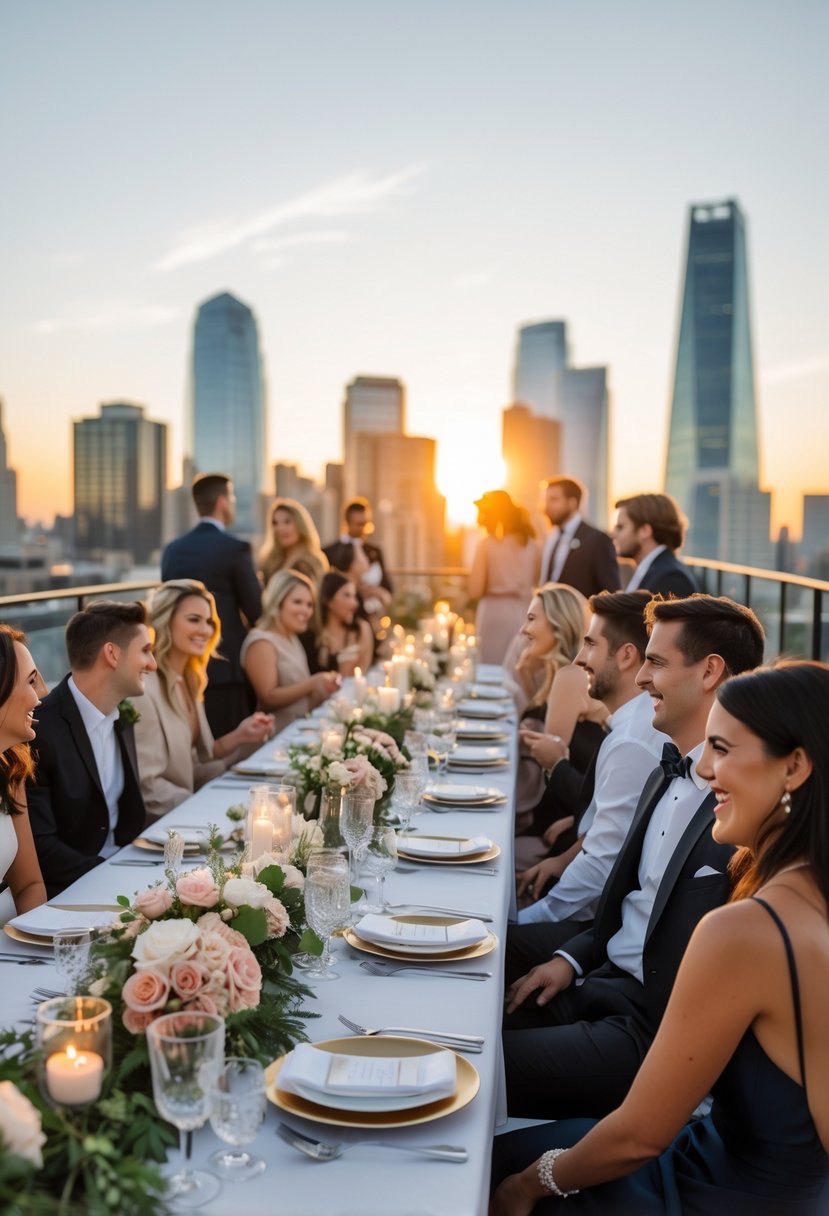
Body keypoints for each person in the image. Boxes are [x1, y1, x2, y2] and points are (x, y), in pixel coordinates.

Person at [491, 660, 829, 1215]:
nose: (707, 770)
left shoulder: (747, 928)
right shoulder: (808, 895)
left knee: (489, 1167)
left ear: (793, 766)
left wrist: (528, 1184)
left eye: (723, 749)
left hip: (710, 1190)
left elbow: (638, 1138)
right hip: (787, 1193)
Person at [503, 594, 765, 1119]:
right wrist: (571, 958)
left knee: (475, 1067)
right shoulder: (666, 769)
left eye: (656, 662)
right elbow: (630, 900)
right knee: (467, 1018)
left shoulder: (746, 810)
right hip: (596, 982)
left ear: (710, 671)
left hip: (647, 1030)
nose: (641, 677)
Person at [512, 590, 670, 936]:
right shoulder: (627, 727)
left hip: (596, 926)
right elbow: (607, 830)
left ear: (627, 655)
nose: (581, 658)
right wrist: (564, 858)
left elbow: (600, 868)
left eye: (591, 645)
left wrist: (524, 923)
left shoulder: (631, 739)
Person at [27, 602, 154, 898]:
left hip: (124, 868)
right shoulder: (38, 730)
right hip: (74, 890)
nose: (152, 664)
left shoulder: (122, 716)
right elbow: (41, 848)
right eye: (145, 650)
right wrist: (117, 876)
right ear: (112, 654)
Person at [134, 581, 276, 819]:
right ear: (164, 620)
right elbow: (147, 786)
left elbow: (195, 766)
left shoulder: (189, 679)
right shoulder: (145, 690)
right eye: (193, 619)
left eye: (209, 621)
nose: (205, 630)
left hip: (187, 812)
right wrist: (210, 808)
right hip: (162, 826)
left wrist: (242, 736)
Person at [161, 472, 262, 738]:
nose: (233, 503)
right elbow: (257, 611)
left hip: (180, 666)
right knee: (232, 745)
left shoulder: (172, 550)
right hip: (226, 666)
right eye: (232, 497)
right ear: (221, 501)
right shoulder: (235, 548)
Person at [513, 584, 607, 864]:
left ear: (557, 623)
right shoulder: (564, 673)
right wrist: (527, 676)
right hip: (575, 807)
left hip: (569, 814)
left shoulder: (571, 676)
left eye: (531, 619)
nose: (523, 629)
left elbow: (548, 762)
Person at [241, 570, 341, 734]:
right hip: (273, 736)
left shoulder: (292, 639)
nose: (305, 610)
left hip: (298, 730)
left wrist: (323, 689)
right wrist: (314, 681)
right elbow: (268, 698)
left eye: (309, 604)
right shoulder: (261, 642)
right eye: (297, 602)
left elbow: (301, 700)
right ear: (277, 602)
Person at [0, 625, 47, 922]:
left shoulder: (11, 771)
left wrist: (31, 948)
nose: (40, 695)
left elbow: (31, 885)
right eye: (31, 682)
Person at [469, 489, 541, 665]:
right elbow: (537, 580)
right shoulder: (533, 545)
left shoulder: (486, 544)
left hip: (493, 613)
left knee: (490, 668)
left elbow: (474, 590)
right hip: (526, 611)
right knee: (520, 667)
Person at [539, 476, 621, 598]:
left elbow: (611, 591)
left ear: (572, 503)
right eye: (545, 500)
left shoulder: (597, 540)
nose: (546, 506)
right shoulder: (551, 537)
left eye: (554, 499)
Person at [613, 492, 699, 596]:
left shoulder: (670, 578)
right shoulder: (656, 571)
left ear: (645, 531)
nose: (614, 534)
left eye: (620, 527)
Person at [323, 496, 393, 617]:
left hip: (374, 613)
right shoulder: (330, 552)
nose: (363, 529)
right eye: (359, 524)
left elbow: (388, 586)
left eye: (365, 524)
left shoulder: (375, 552)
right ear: (347, 523)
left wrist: (376, 593)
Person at [258, 497, 329, 587]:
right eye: (275, 523)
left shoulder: (312, 562)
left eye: (287, 522)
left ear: (300, 524)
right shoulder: (269, 560)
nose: (280, 528)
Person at [316, 571, 374, 677]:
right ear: (327, 600)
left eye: (354, 596)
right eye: (347, 595)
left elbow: (363, 673)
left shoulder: (361, 629)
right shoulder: (314, 636)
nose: (355, 603)